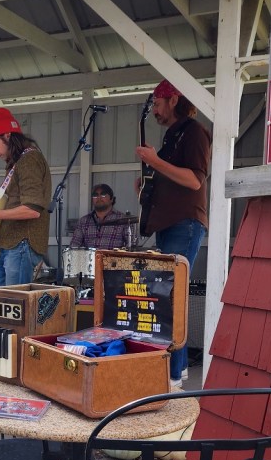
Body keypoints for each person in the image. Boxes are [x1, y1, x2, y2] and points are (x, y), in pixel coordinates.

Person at [134, 79, 210, 389]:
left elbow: (194, 180)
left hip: (184, 223)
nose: (154, 110)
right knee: (166, 298)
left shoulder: (194, 133)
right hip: (168, 224)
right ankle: (175, 371)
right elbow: (170, 177)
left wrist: (155, 161)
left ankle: (173, 377)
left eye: (158, 103)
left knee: (170, 298)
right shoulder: (173, 135)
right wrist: (147, 185)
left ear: (174, 99)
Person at [0, 107, 51, 286]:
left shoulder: (29, 160)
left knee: (14, 300)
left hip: (21, 243)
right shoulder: (18, 162)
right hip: (10, 244)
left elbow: (32, 209)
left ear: (7, 135)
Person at [69, 183, 134, 250]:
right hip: (90, 257)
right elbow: (74, 247)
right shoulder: (83, 221)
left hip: (113, 257)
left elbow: (131, 248)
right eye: (95, 195)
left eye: (103, 194)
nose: (99, 197)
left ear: (111, 199)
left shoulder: (124, 220)